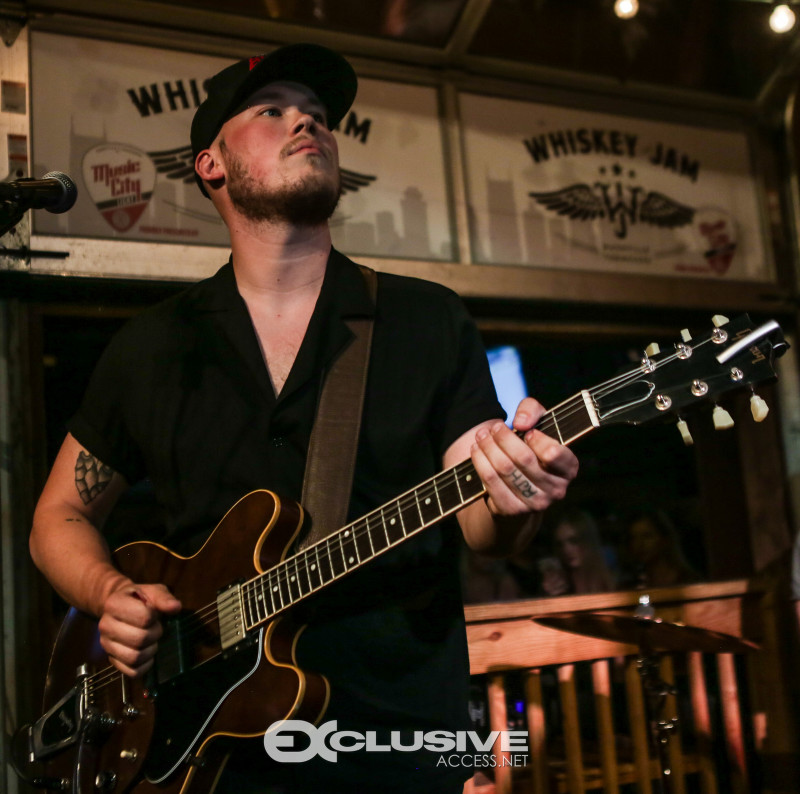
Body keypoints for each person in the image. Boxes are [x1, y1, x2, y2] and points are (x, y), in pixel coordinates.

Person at [28, 43, 579, 793]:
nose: (307, 123)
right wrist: (107, 594)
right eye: (273, 111)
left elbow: (486, 525)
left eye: (318, 115)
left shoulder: (426, 320)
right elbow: (57, 515)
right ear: (211, 164)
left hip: (399, 737)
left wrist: (519, 496)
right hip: (207, 754)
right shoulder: (153, 346)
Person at [539, 506, 616, 596]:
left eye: (574, 541)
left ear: (587, 541)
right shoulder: (561, 583)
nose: (566, 550)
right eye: (560, 544)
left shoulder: (610, 580)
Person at [626, 505, 700, 588]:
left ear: (664, 539)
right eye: (634, 538)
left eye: (647, 536)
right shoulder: (634, 583)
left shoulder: (688, 580)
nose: (639, 544)